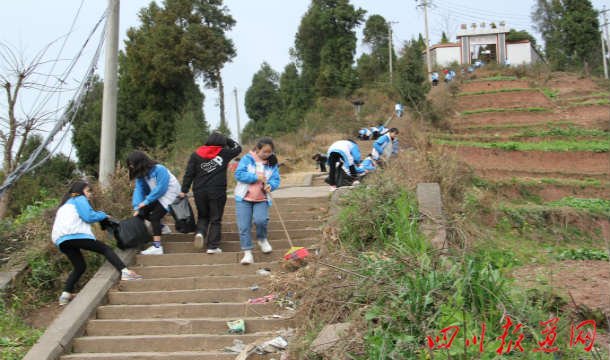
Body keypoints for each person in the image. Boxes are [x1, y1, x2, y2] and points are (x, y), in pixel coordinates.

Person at [52, 181, 142, 305]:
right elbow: (88, 216)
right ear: (80, 191)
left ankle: (65, 295)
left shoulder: (64, 205)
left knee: (80, 266)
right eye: (88, 191)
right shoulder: (79, 198)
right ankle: (125, 272)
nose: (90, 194)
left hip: (61, 239)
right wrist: (103, 215)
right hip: (73, 233)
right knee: (104, 249)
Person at [180, 132, 242, 253]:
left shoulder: (196, 154)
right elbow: (238, 148)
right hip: (217, 191)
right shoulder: (224, 153)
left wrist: (184, 190)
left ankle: (200, 233)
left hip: (199, 191)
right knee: (215, 218)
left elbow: (189, 174)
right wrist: (227, 139)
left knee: (203, 216)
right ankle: (212, 246)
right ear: (222, 142)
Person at [234, 138, 280, 265]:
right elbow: (238, 174)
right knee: (244, 226)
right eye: (265, 152)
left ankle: (262, 239)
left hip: (262, 198)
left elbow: (276, 180)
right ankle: (247, 253)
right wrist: (255, 177)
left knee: (261, 220)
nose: (267, 154)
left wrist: (271, 185)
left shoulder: (272, 162)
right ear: (257, 149)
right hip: (244, 198)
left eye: (270, 152)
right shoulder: (247, 159)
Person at [127, 151, 181, 255]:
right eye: (130, 165)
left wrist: (147, 201)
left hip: (171, 193)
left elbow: (162, 188)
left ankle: (157, 247)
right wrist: (136, 206)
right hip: (158, 194)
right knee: (142, 212)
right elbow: (139, 189)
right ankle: (162, 228)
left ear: (140, 162)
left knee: (155, 217)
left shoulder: (159, 169)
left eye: (132, 164)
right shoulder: (142, 175)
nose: (131, 166)